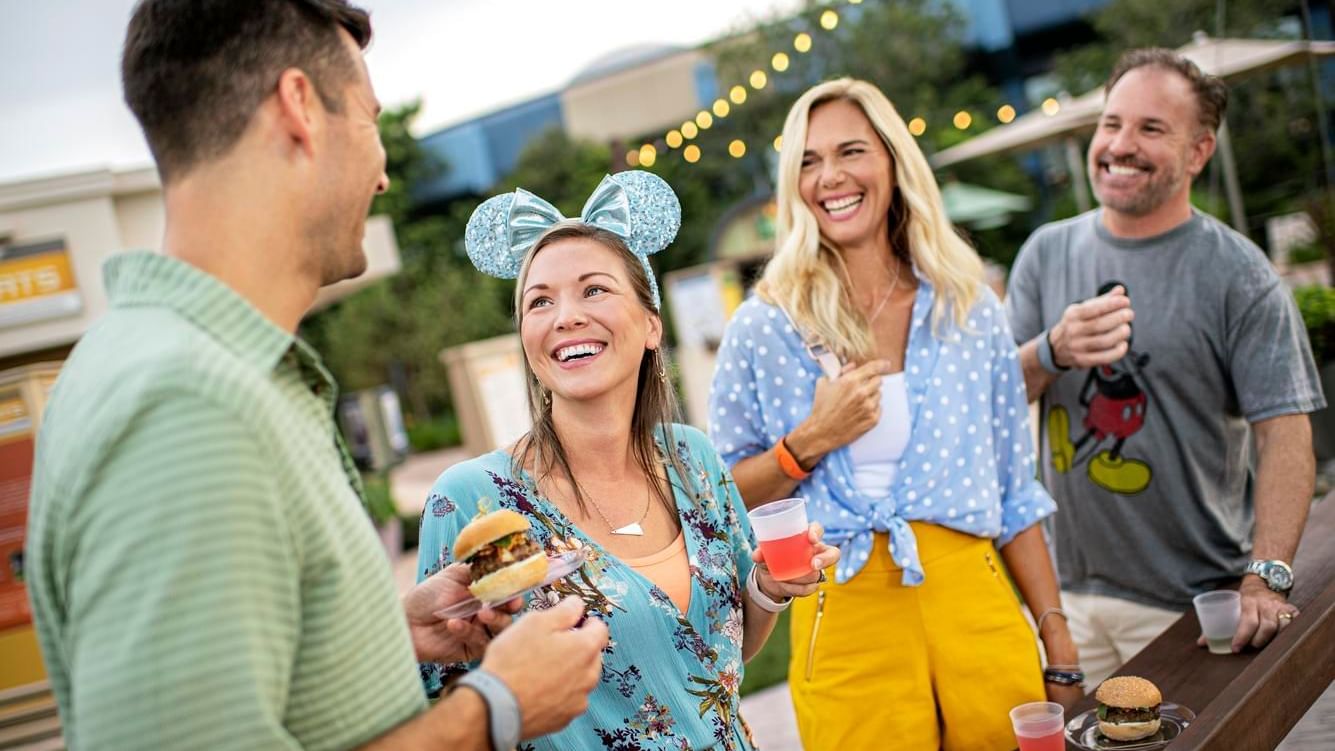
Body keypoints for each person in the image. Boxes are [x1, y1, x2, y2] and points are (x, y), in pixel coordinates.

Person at [24, 2, 606, 749]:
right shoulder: (185, 402)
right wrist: (495, 707)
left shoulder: (159, 361)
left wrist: (386, 634)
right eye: (368, 119)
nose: (384, 173)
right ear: (299, 106)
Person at [708, 78, 1080, 751]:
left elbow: (1014, 492)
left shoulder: (967, 305)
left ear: (891, 161)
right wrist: (807, 442)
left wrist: (1057, 640)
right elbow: (717, 496)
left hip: (975, 597)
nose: (830, 177)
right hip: (844, 612)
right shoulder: (764, 326)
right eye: (808, 162)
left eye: (850, 151)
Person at [418, 171, 839, 750]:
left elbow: (717, 658)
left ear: (650, 324)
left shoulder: (693, 460)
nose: (565, 315)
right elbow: (439, 705)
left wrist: (766, 585)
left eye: (593, 289)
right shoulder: (477, 499)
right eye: (540, 301)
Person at [1006, 48, 1322, 687]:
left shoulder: (1240, 275)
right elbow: (992, 397)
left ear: (1199, 151)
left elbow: (1283, 433)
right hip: (1060, 602)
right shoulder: (1045, 252)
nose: (1121, 145)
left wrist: (1266, 576)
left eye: (1151, 128)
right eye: (1111, 123)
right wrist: (1052, 350)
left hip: (1187, 604)